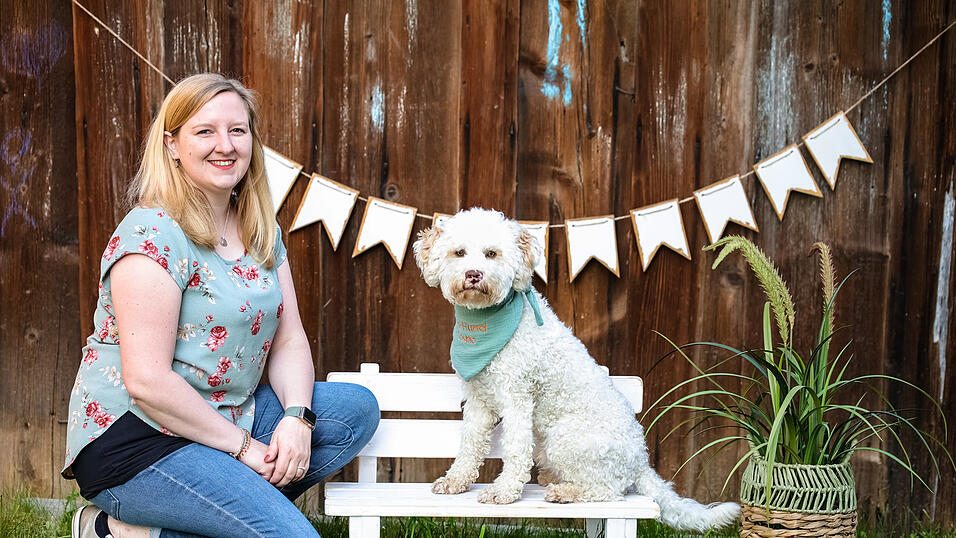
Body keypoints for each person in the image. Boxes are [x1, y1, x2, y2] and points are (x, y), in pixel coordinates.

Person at [63, 73, 379, 538]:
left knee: (354, 410)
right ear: (172, 145)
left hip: (231, 412)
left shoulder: (258, 229)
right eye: (204, 131)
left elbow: (289, 338)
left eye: (237, 130)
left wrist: (296, 418)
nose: (225, 145)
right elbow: (147, 382)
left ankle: (142, 532)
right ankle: (119, 522)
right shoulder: (152, 233)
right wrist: (245, 449)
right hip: (139, 439)